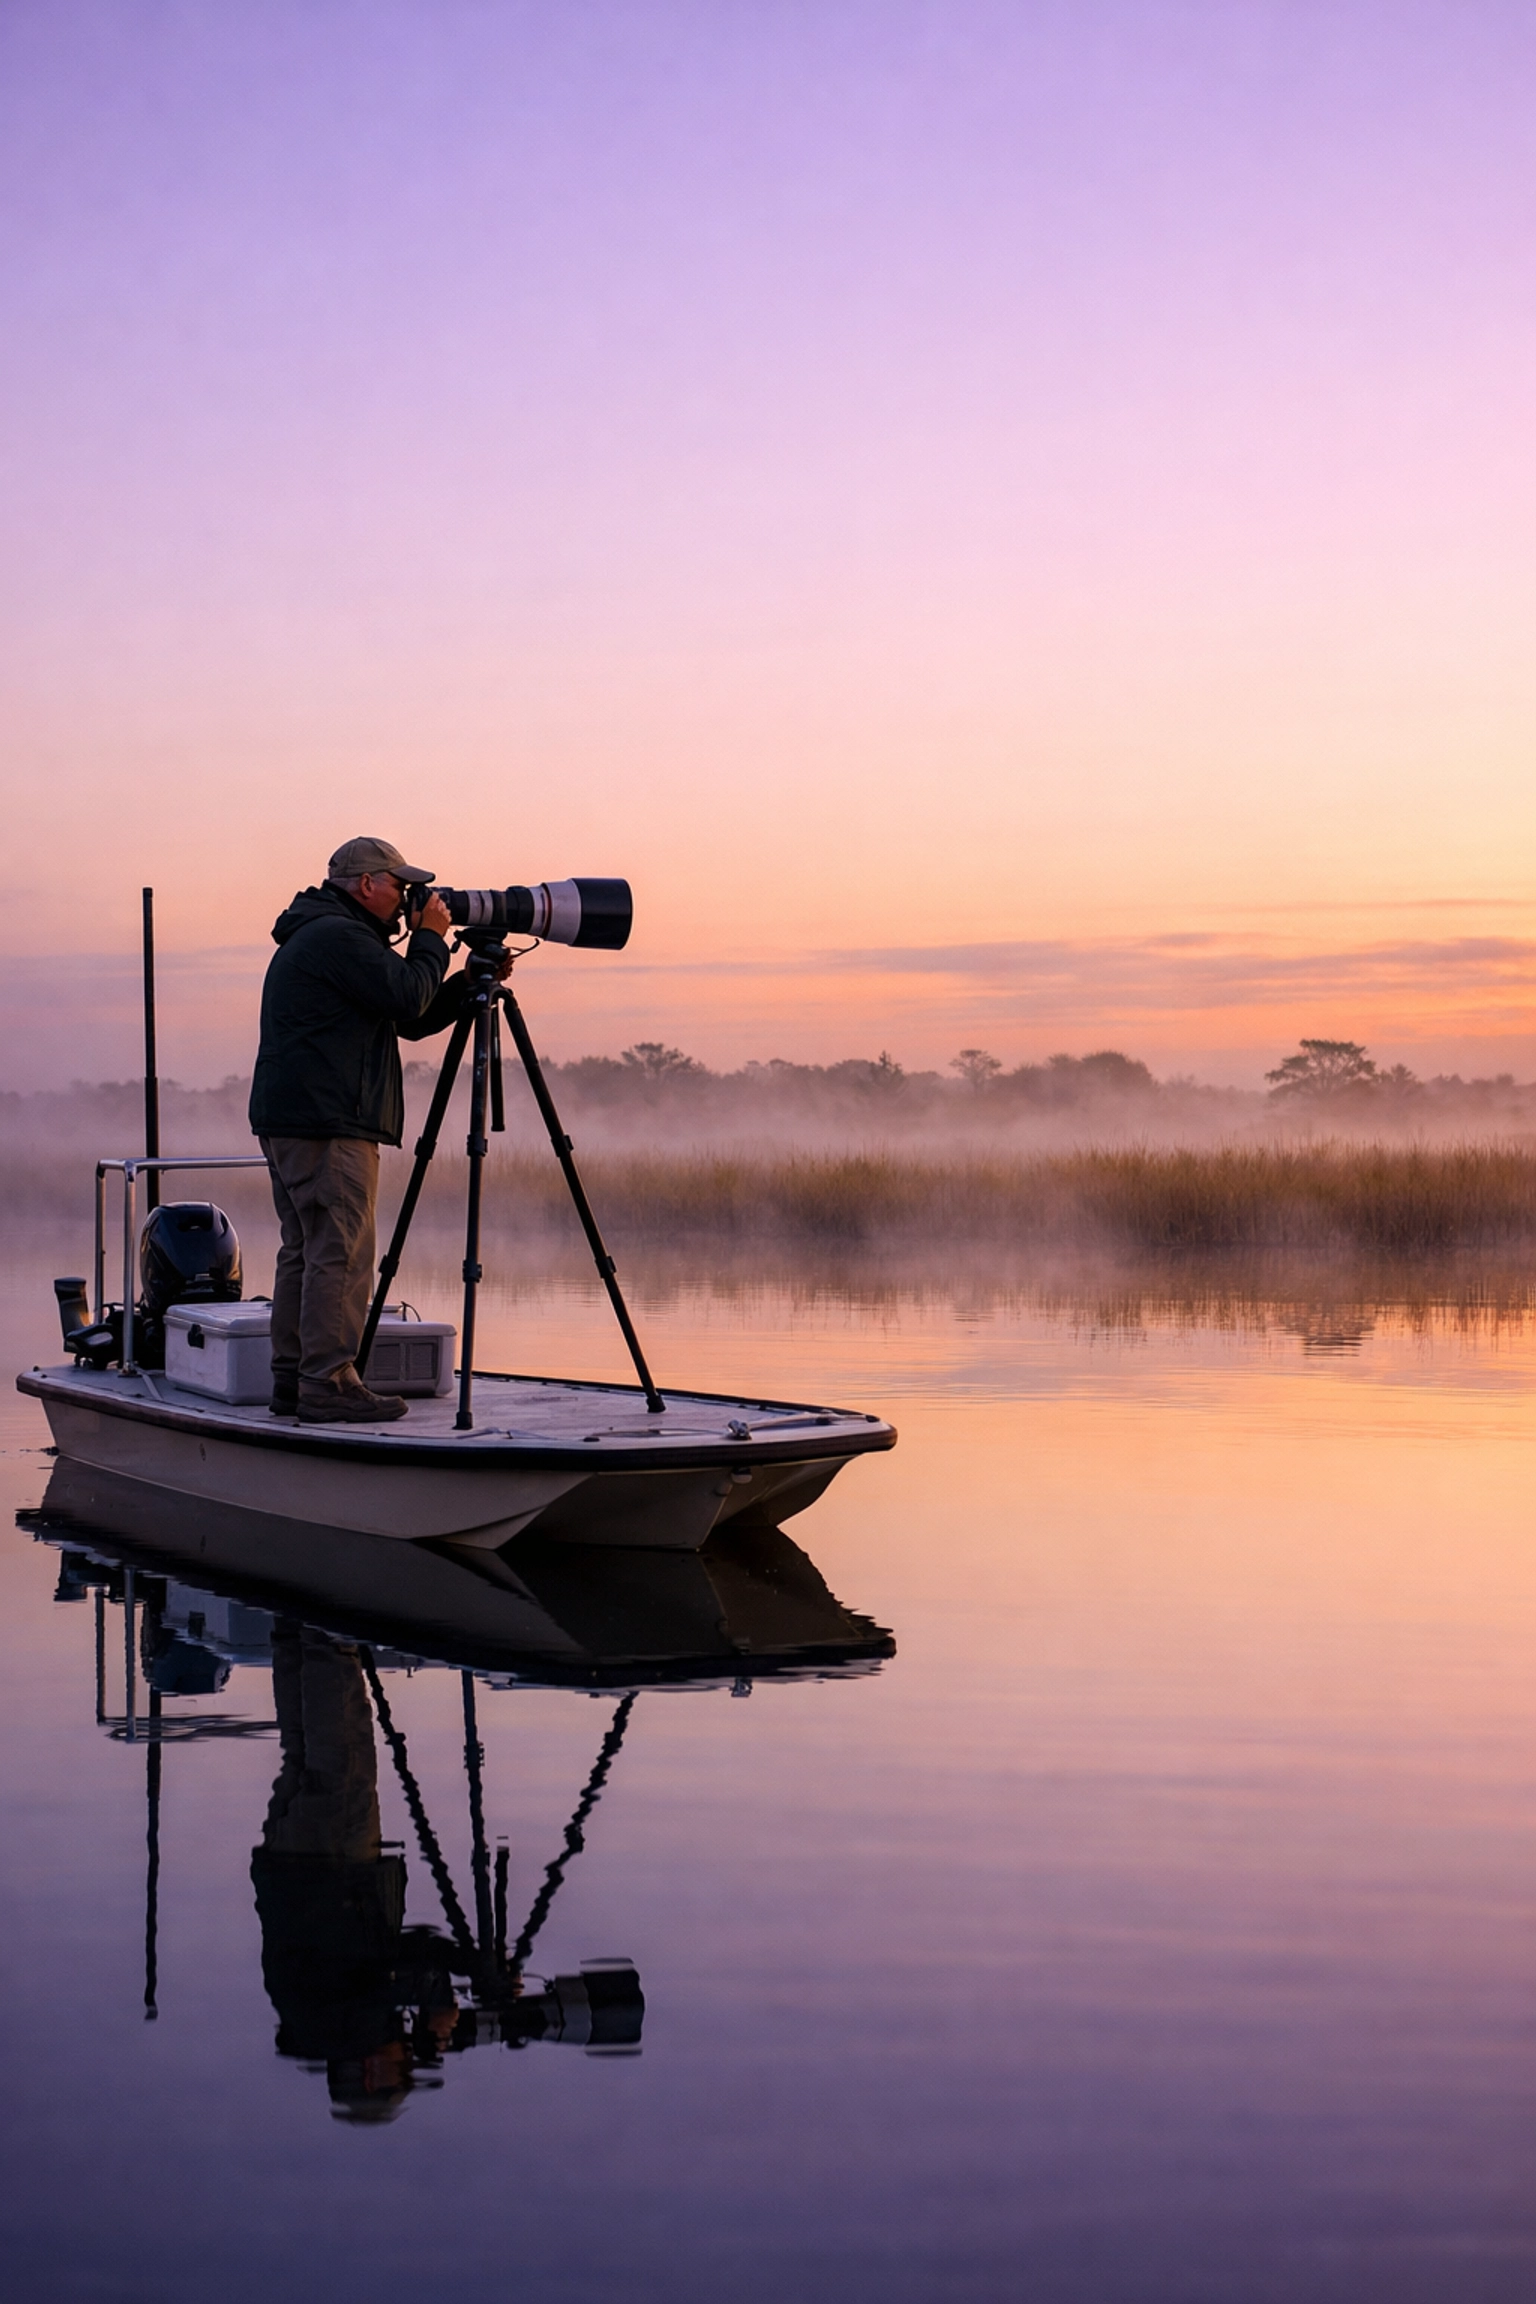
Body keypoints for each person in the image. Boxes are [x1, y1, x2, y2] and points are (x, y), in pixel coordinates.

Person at [249, 836, 506, 1424]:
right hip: (328, 1121)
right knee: (341, 1251)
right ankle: (329, 1384)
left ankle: (294, 1379)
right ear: (367, 884)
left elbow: (405, 1017)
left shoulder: (325, 934)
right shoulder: (339, 936)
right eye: (400, 885)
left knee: (307, 1251)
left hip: (300, 1116)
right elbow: (406, 994)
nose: (408, 899)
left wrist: (465, 984)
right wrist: (432, 939)